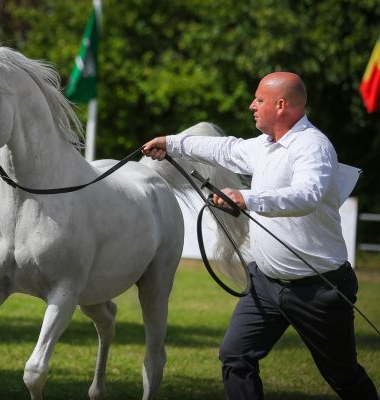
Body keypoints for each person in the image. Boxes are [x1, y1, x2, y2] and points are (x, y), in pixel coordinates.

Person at [142, 72, 378, 400]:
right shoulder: (264, 147)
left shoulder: (314, 146)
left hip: (318, 289)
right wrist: (172, 143)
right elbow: (224, 148)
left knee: (343, 376)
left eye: (260, 100)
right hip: (265, 284)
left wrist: (246, 198)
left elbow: (307, 195)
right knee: (235, 357)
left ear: (281, 106)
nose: (252, 105)